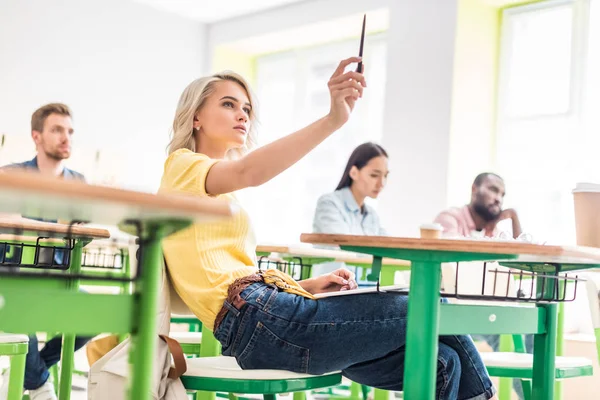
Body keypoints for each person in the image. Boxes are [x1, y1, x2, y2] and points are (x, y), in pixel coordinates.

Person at [159, 57, 497, 400]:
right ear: (195, 116)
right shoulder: (182, 166)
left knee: (442, 362)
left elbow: (232, 278)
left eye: (246, 107)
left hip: (265, 320)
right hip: (258, 322)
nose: (243, 114)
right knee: (429, 304)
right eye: (229, 104)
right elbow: (249, 173)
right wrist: (333, 119)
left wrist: (308, 286)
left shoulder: (218, 192)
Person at [0, 103, 90, 400]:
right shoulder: (12, 175)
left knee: (96, 316)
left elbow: (82, 236)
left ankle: (31, 371)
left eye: (70, 131)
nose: (67, 137)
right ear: (36, 136)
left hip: (59, 281)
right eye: (57, 130)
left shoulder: (78, 183)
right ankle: (40, 385)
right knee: (15, 313)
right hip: (12, 280)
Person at [434, 172, 532, 400]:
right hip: (450, 307)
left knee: (525, 332)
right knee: (511, 332)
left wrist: (514, 218)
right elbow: (449, 251)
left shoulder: (495, 230)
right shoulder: (450, 218)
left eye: (502, 194)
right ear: (474, 189)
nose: (498, 198)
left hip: (485, 308)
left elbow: (522, 258)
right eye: (493, 189)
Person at [313, 142, 388, 235]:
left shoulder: (372, 216)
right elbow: (340, 245)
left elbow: (389, 246)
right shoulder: (329, 204)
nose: (381, 184)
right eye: (374, 175)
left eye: (385, 175)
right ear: (354, 173)